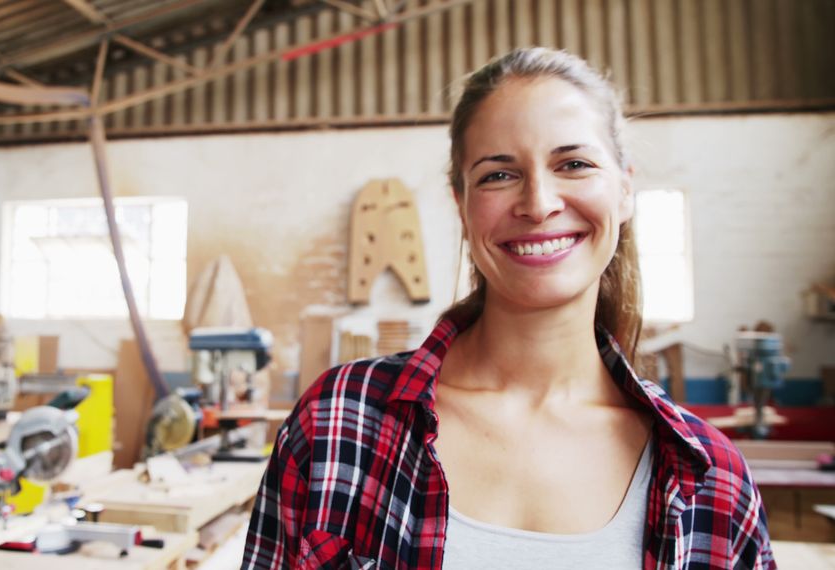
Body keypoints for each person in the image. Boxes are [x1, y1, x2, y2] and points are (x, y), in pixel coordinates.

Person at [242, 47, 774, 569]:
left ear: (625, 188)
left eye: (574, 163)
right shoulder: (339, 424)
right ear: (461, 204)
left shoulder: (713, 480)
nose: (539, 203)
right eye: (499, 174)